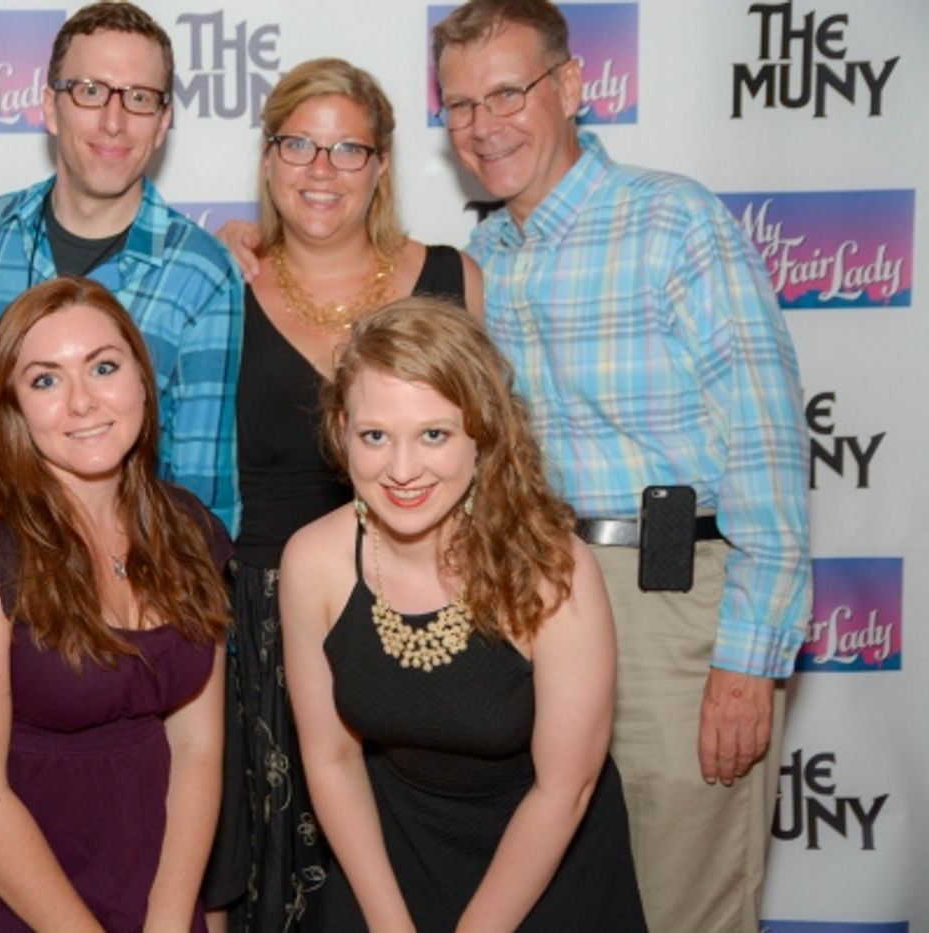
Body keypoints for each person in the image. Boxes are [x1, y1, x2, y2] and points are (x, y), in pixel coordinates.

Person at [432, 2, 811, 930]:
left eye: (509, 92)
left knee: (685, 900)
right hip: (536, 606)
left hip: (671, 607)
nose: (485, 125)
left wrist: (746, 663)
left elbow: (767, 447)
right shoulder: (486, 256)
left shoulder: (674, 222)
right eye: (461, 105)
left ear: (570, 87)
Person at [206, 57, 481, 932]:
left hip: (415, 602)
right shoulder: (221, 282)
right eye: (299, 144)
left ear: (383, 165)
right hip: (257, 619)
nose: (320, 171)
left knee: (405, 861)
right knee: (274, 865)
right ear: (269, 155)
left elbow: (489, 452)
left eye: (348, 149)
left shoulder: (452, 277)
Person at [280, 298, 646, 931]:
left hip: (545, 863)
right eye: (375, 435)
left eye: (434, 434)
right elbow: (331, 760)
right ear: (341, 428)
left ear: (483, 431)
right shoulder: (313, 561)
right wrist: (390, 923)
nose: (401, 470)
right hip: (387, 860)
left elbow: (564, 790)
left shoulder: (552, 568)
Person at [0, 277, 232, 931]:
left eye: (103, 367)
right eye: (46, 380)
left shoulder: (190, 531)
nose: (83, 401)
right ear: (12, 405)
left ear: (140, 377)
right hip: (11, 897)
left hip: (149, 881)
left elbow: (198, 748)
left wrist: (167, 917)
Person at [0, 1, 243, 533]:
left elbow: (200, 500)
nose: (113, 122)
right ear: (50, 107)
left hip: (129, 584)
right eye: (90, 91)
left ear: (163, 123)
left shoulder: (202, 273)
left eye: (139, 98)